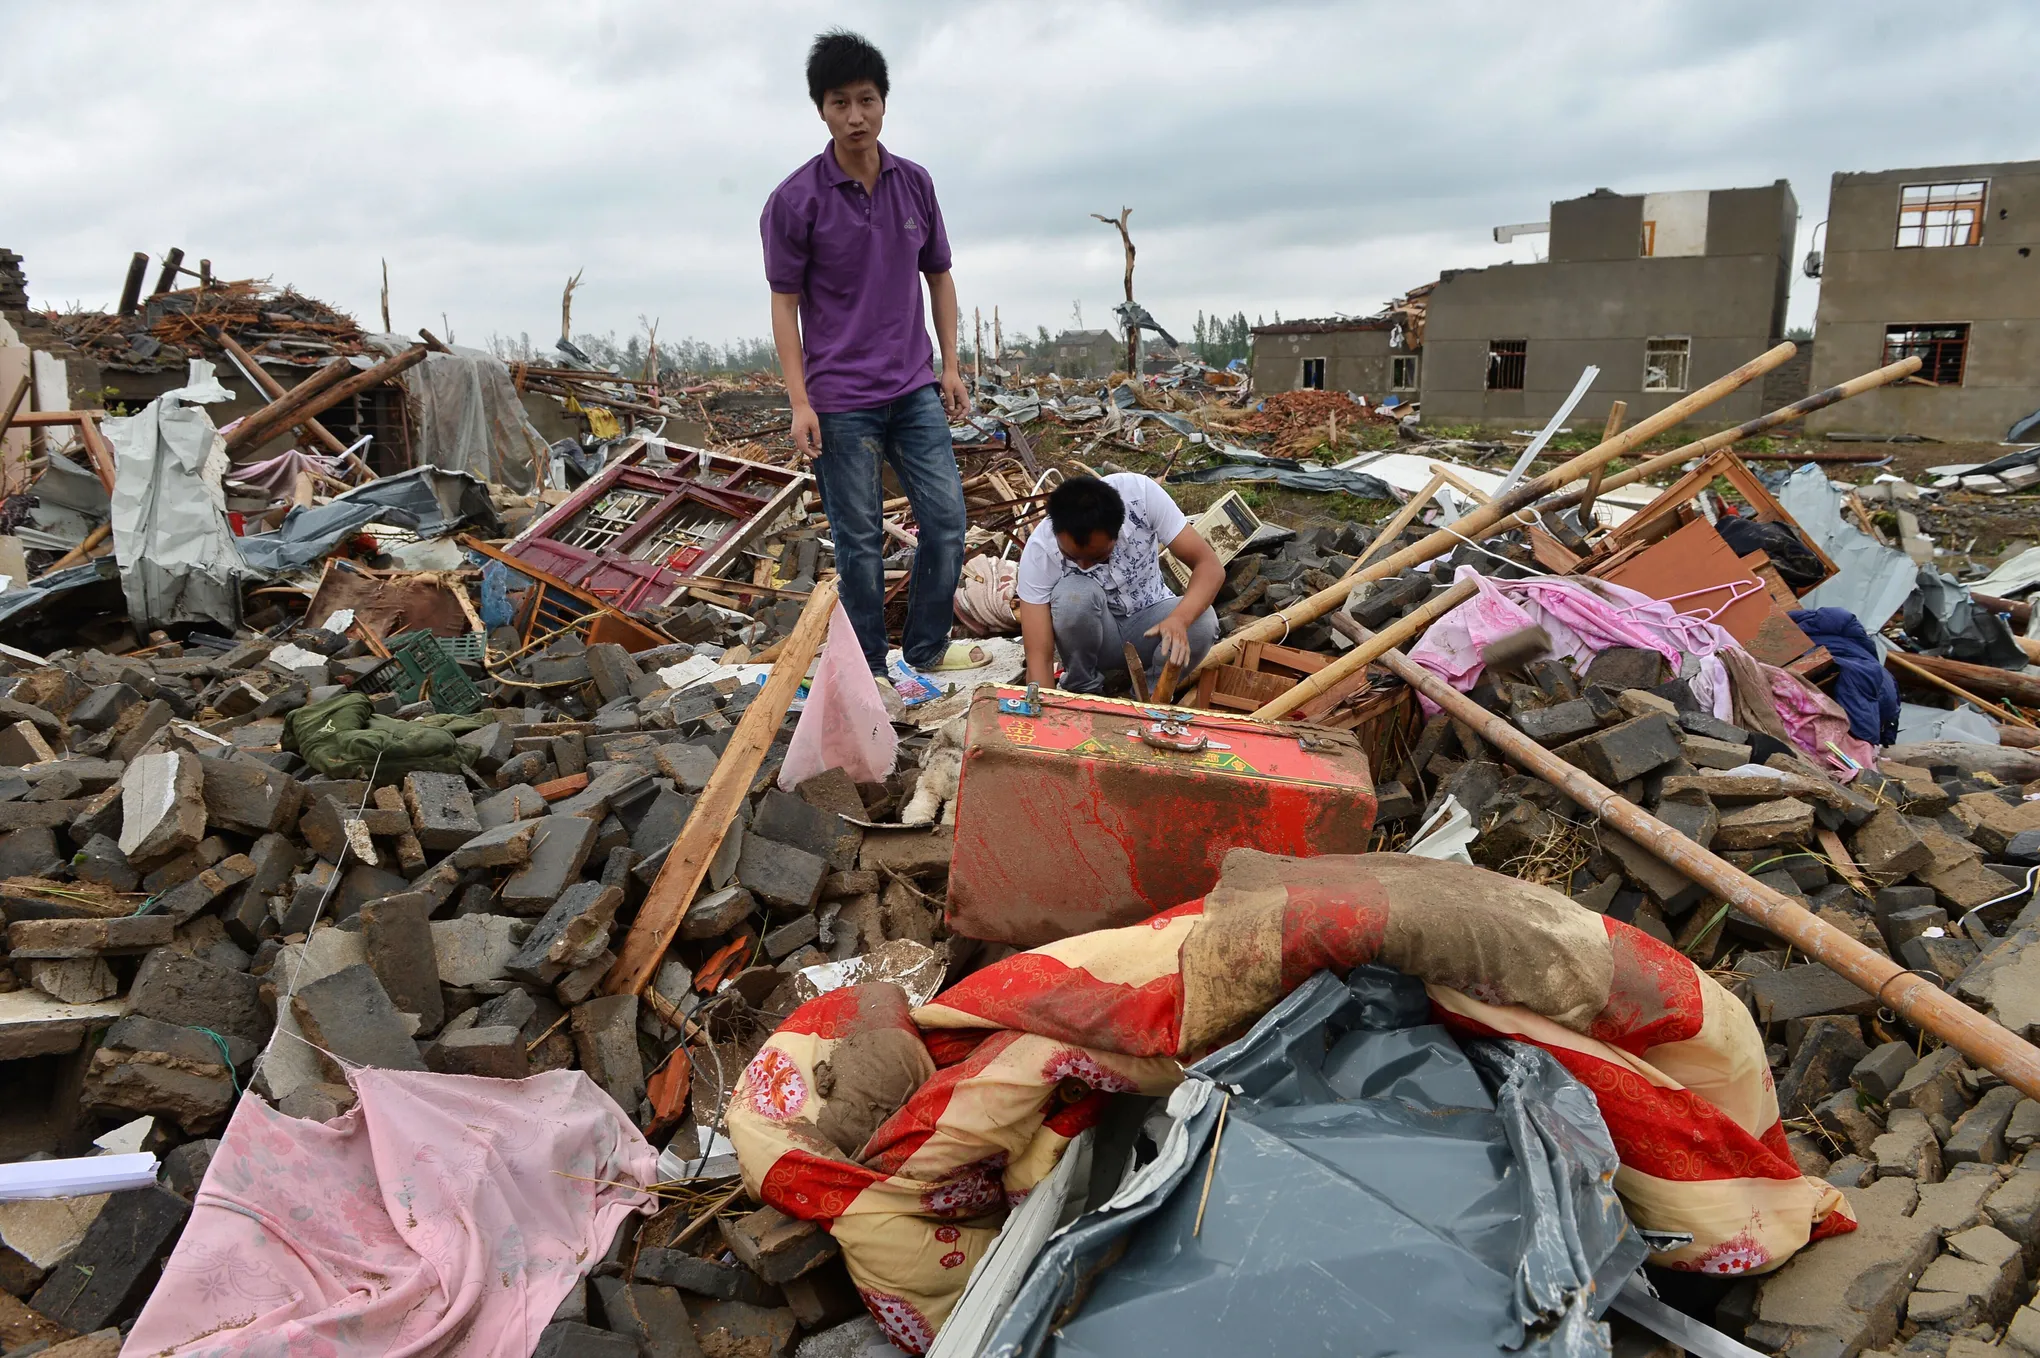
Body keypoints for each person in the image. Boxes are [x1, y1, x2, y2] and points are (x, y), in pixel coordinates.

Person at [762, 29, 980, 679]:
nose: (855, 116)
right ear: (820, 110)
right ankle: (868, 670)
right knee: (858, 544)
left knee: (945, 522)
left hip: (912, 388)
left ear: (884, 102)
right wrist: (799, 402)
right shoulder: (796, 200)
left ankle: (922, 654)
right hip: (840, 401)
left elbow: (938, 275)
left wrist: (950, 366)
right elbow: (784, 302)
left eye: (866, 100)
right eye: (839, 103)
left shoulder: (914, 185)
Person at [1015, 474, 1225, 694]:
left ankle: (1150, 700)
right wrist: (1042, 709)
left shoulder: (1142, 498)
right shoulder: (1040, 550)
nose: (1084, 566)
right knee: (1073, 596)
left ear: (1117, 532)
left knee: (1202, 620)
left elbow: (1209, 566)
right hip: (1097, 639)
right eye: (1072, 557)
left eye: (1098, 557)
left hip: (1152, 628)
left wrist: (1179, 620)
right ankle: (1083, 692)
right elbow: (1038, 654)